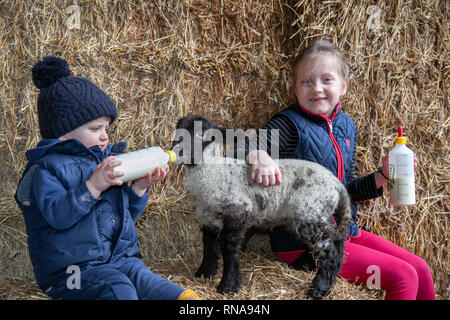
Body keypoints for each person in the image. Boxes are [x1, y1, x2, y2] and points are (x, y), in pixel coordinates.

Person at [245, 40, 435, 300]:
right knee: (403, 276)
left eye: (327, 80)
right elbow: (245, 143)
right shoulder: (289, 125)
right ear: (295, 87)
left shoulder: (347, 127)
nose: (317, 89)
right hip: (303, 244)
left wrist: (382, 176)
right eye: (306, 82)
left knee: (421, 269)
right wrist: (258, 155)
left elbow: (347, 192)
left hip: (344, 232)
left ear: (344, 86)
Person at [14, 56, 200, 300]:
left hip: (118, 260)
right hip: (70, 274)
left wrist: (139, 189)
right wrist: (92, 186)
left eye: (106, 129)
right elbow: (58, 217)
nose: (104, 137)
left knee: (152, 284)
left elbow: (123, 219)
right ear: (63, 133)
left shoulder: (106, 162)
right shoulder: (46, 169)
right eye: (95, 129)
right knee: (119, 289)